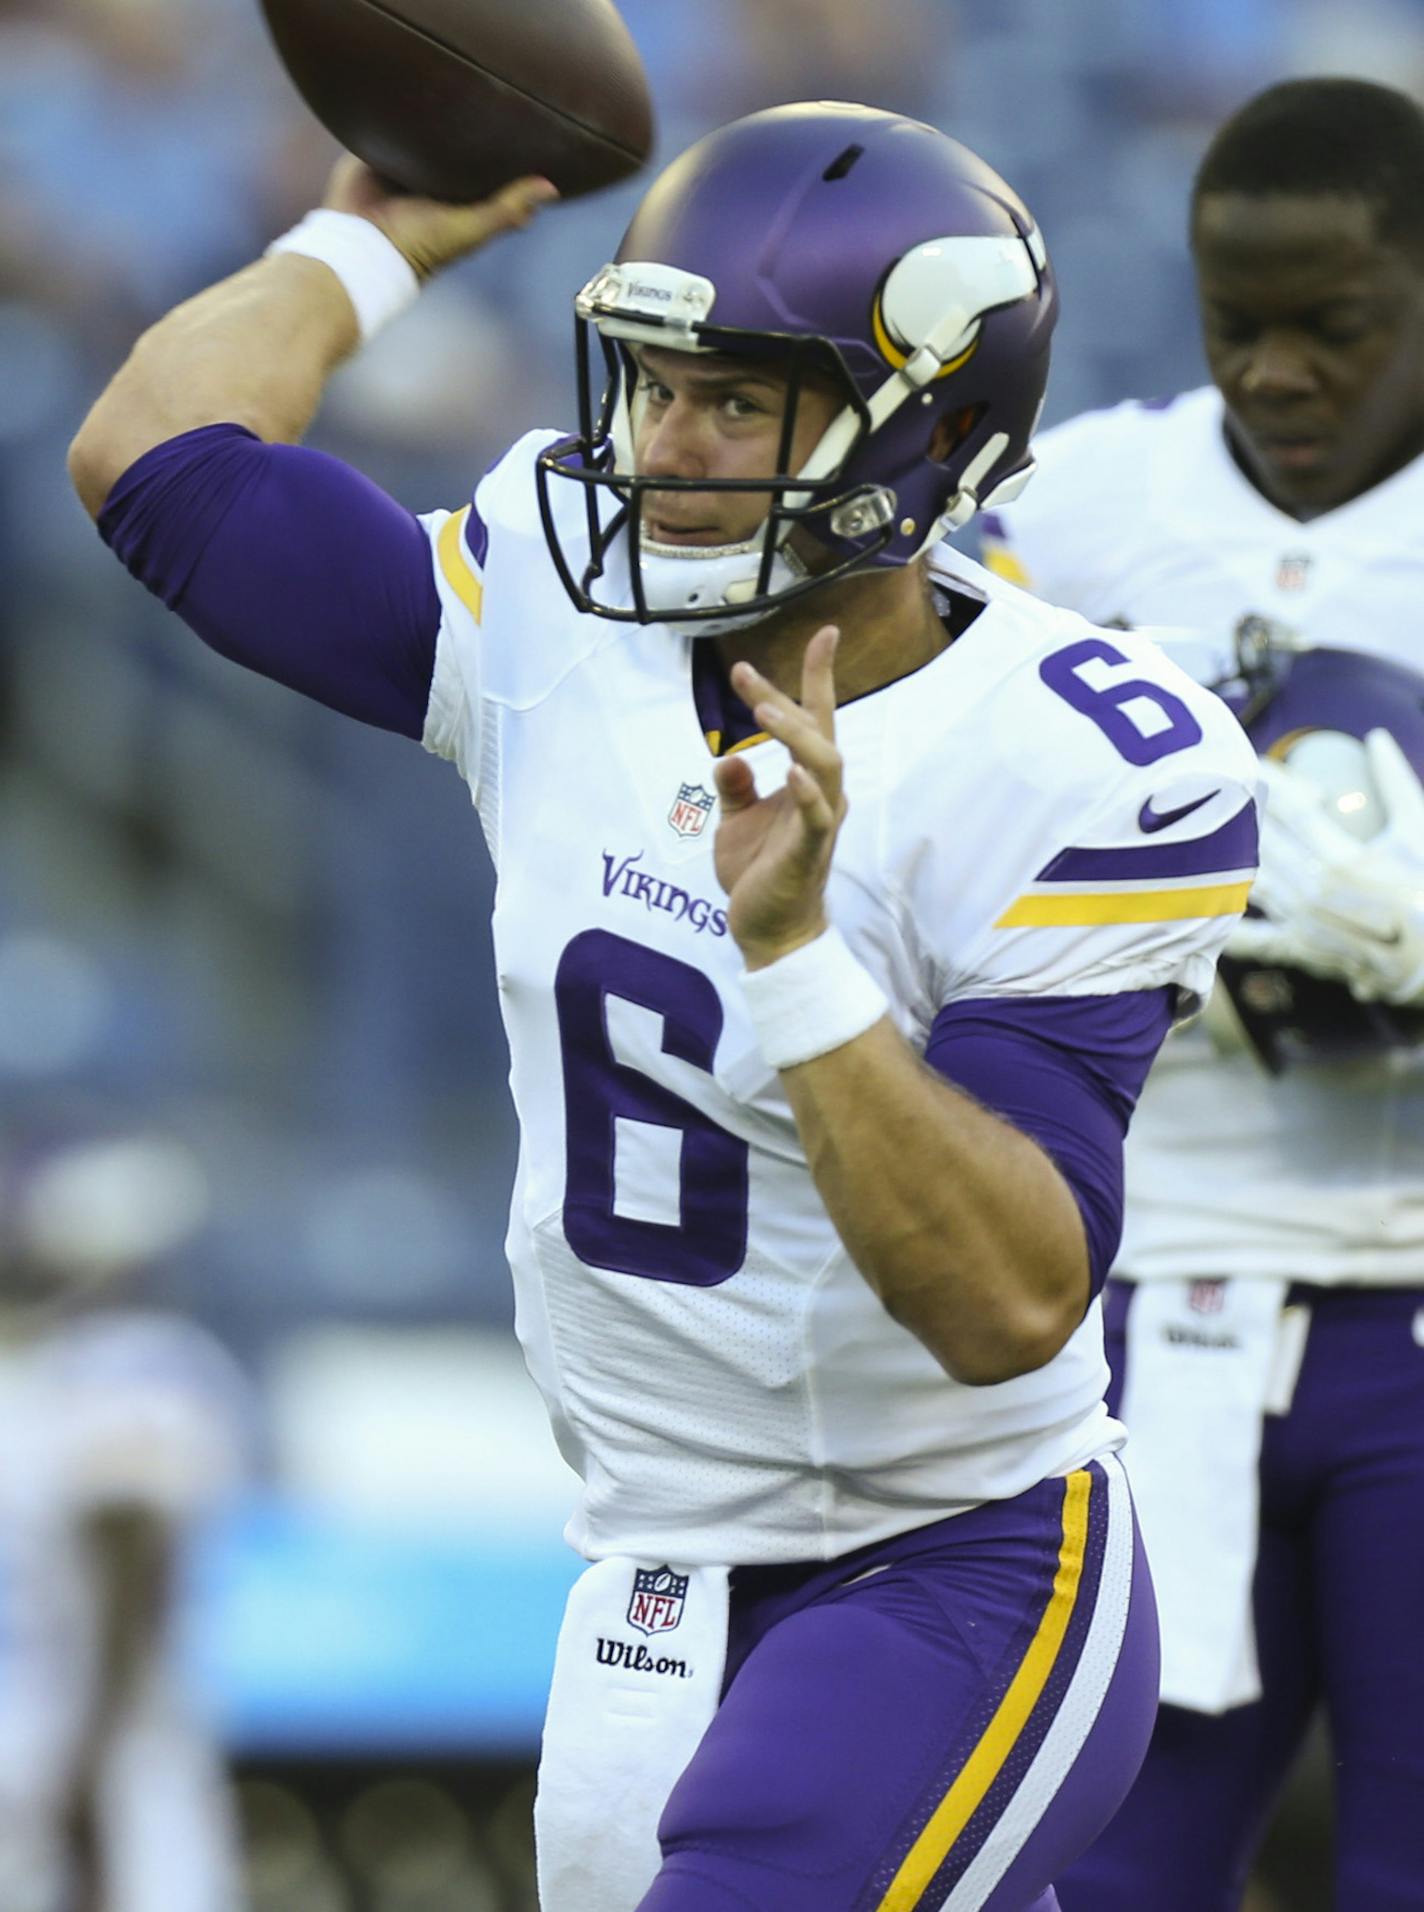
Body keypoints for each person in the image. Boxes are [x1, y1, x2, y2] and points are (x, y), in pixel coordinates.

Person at [67, 101, 1260, 1911]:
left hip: (947, 1557)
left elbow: (1010, 1300)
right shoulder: (558, 597)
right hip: (644, 1561)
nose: (663, 444)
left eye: (734, 397)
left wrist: (795, 961)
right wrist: (371, 240)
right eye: (648, 381)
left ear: (924, 428)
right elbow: (153, 458)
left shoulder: (1076, 759)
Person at [979, 75, 1424, 1912]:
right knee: (1114, 1863)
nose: (1273, 374)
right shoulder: (1072, 509)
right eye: (1235, 326)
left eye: (1335, 329)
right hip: (1156, 1291)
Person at [0, 1131, 250, 1912]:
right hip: (66, 1736)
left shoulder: (139, 1364)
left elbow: (133, 1561)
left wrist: (87, 1766)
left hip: (106, 1744)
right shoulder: (53, 1364)